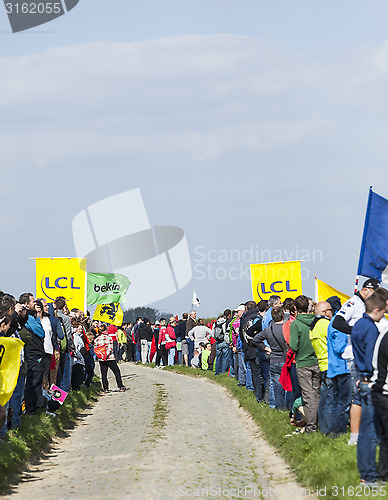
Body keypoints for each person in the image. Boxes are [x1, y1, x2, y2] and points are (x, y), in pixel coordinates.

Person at [332, 278, 380, 445]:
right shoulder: (353, 302)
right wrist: (357, 331)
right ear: (366, 289)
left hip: (367, 355)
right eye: (374, 294)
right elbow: (338, 322)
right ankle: (355, 435)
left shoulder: (365, 305)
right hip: (355, 356)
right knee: (359, 397)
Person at [351, 289, 388, 486]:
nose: (383, 316)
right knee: (371, 432)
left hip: (361, 377)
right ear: (377, 308)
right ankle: (369, 475)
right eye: (382, 312)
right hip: (369, 380)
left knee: (368, 429)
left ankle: (367, 473)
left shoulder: (359, 324)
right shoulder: (371, 329)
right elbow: (373, 359)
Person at [289, 295, 320, 433]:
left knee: (308, 397)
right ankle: (319, 423)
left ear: (295, 308)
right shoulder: (316, 321)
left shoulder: (296, 324)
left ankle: (311, 427)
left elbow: (293, 346)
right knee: (317, 394)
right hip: (317, 361)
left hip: (303, 362)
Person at [253, 306, 288, 409]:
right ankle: (286, 407)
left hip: (273, 359)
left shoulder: (268, 330)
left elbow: (256, 339)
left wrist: (266, 348)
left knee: (276, 385)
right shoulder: (287, 328)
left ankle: (278, 407)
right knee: (287, 385)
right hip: (285, 359)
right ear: (283, 315)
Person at [309, 301, 332, 434]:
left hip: (321, 363)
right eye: (330, 310)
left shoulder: (313, 326)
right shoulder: (325, 324)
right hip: (330, 364)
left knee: (324, 398)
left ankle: (323, 427)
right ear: (324, 312)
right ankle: (329, 430)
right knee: (331, 399)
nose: (332, 313)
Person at [94, 327, 126, 393]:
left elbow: (96, 350)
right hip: (110, 358)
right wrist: (106, 355)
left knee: (104, 374)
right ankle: (120, 386)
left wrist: (101, 356)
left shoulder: (96, 339)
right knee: (116, 372)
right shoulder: (109, 338)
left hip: (101, 359)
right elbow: (110, 349)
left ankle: (106, 388)